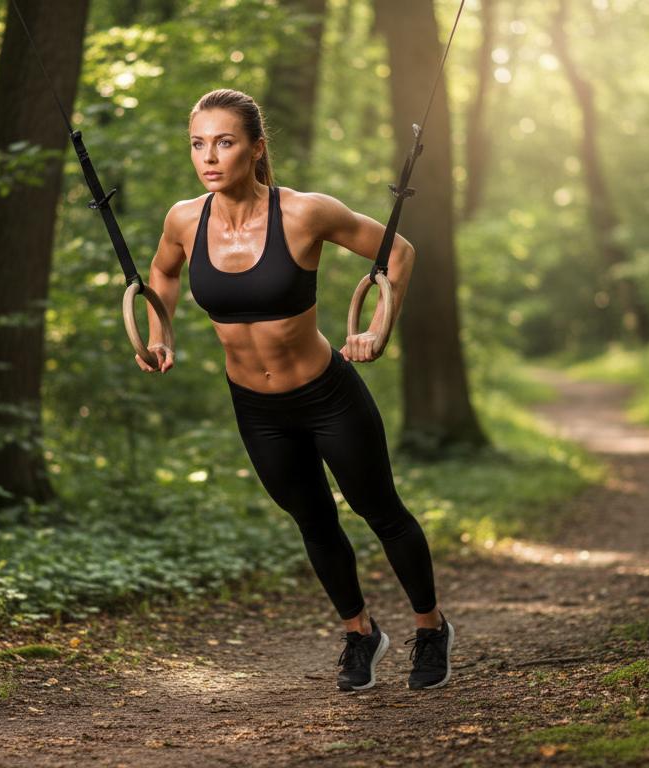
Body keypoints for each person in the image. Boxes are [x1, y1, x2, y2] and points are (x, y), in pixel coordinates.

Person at [136, 88, 453, 691]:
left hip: (328, 395)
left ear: (256, 149)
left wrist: (377, 329)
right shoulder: (184, 219)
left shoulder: (304, 213)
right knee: (313, 521)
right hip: (257, 409)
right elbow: (161, 272)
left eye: (225, 142)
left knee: (380, 511)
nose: (209, 157)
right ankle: (360, 633)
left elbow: (398, 252)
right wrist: (159, 333)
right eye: (198, 144)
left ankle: (431, 627)